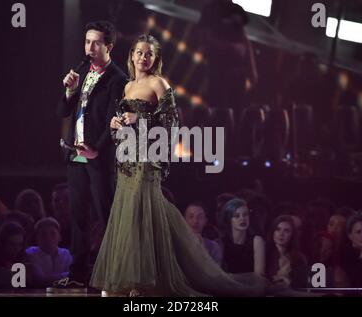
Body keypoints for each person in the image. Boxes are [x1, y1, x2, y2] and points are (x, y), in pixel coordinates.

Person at [90, 35, 266, 297]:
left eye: (149, 54)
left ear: (156, 58)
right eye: (139, 52)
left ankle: (143, 282)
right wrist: (116, 124)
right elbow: (125, 126)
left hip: (148, 158)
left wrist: (140, 117)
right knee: (128, 212)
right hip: (126, 159)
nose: (143, 58)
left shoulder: (159, 83)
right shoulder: (127, 87)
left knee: (143, 211)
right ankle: (125, 279)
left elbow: (173, 122)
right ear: (132, 55)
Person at [56, 20, 127, 284]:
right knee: (78, 217)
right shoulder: (81, 71)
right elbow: (62, 112)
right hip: (75, 156)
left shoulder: (118, 79)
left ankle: (115, 273)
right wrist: (69, 90)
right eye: (87, 41)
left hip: (99, 158)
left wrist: (97, 149)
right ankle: (78, 274)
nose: (90, 47)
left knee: (106, 215)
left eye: (96, 42)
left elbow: (114, 122)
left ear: (109, 46)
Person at [220, 198, 266, 275]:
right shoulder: (221, 243)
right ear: (229, 219)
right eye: (237, 216)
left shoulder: (257, 241)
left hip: (251, 285)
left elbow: (259, 276)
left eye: (245, 214)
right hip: (227, 285)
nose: (242, 219)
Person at [265, 215, 309, 288]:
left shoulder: (299, 258)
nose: (281, 234)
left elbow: (303, 285)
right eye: (278, 229)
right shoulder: (265, 254)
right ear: (273, 232)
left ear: (292, 235)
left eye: (286, 231)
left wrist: (289, 282)